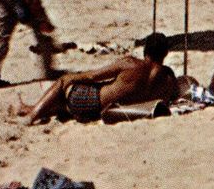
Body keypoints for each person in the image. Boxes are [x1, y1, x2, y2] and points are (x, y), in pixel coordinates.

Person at [18, 32, 177, 125]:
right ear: (165, 53)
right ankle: (32, 109)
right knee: (62, 104)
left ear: (145, 51)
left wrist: (71, 78)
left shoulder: (130, 63)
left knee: (63, 82)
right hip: (109, 113)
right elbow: (172, 95)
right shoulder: (169, 77)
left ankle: (32, 115)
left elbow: (92, 76)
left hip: (90, 103)